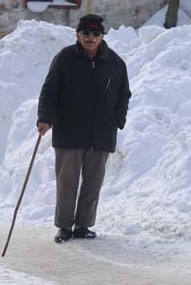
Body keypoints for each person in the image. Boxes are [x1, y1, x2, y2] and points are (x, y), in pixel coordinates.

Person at [37, 14, 131, 243]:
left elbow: (123, 94)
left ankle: (83, 226)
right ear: (78, 34)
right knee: (67, 181)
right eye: (86, 33)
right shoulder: (65, 58)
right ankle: (64, 227)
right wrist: (45, 118)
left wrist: (117, 119)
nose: (90, 38)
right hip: (69, 129)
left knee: (93, 182)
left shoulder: (115, 63)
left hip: (101, 132)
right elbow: (50, 89)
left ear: (102, 36)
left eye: (95, 34)